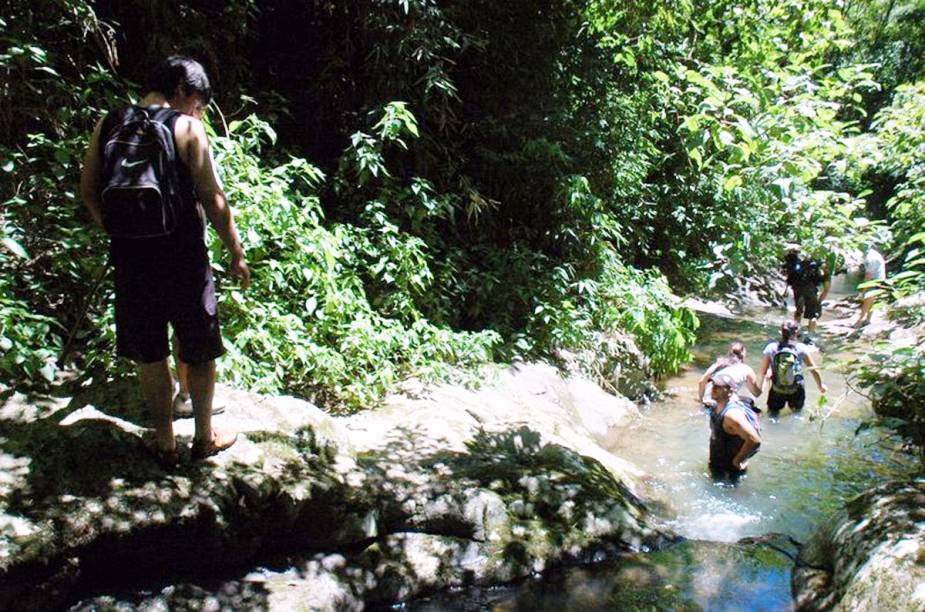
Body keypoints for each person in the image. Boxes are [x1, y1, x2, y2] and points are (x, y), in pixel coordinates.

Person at [80, 56, 249, 466]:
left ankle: (165, 443)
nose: (198, 112)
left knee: (150, 352)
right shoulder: (188, 128)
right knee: (199, 346)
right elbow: (213, 198)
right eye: (199, 103)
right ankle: (203, 438)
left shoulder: (110, 122)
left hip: (131, 256)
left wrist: (120, 232)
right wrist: (236, 252)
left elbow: (88, 189)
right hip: (184, 255)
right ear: (181, 91)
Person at [756, 321, 827, 415]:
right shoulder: (801, 348)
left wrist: (759, 389)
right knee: (796, 414)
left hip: (777, 389)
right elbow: (814, 370)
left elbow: (762, 372)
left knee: (772, 415)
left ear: (781, 332)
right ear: (796, 333)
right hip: (796, 390)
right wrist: (820, 386)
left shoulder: (771, 348)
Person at [708, 371, 762, 479]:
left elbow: (755, 440)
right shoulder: (715, 407)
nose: (714, 388)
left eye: (719, 387)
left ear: (730, 391)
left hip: (731, 470)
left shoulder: (732, 416)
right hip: (719, 462)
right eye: (713, 385)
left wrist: (738, 460)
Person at [697, 341, 763, 409]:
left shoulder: (718, 364)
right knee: (751, 403)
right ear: (743, 354)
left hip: (708, 402)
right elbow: (756, 393)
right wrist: (764, 379)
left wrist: (701, 401)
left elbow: (701, 382)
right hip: (723, 405)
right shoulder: (746, 369)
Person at [783, 246, 830, 335]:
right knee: (813, 314)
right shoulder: (821, 270)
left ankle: (795, 333)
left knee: (798, 312)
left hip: (797, 289)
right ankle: (810, 335)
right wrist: (819, 301)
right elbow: (826, 289)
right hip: (810, 290)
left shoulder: (800, 266)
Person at [853, 245, 886, 328]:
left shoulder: (869, 258)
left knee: (867, 300)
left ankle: (859, 322)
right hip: (880, 279)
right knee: (871, 301)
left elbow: (868, 275)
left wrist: (863, 291)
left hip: (874, 280)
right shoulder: (875, 254)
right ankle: (868, 320)